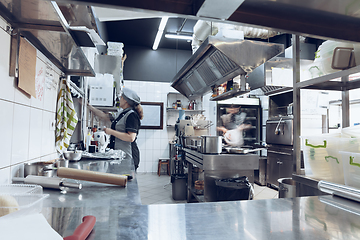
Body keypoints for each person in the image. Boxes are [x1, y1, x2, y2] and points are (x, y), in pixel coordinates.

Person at [87, 88, 143, 171]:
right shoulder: (122, 113)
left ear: (126, 101)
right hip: (120, 156)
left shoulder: (132, 115)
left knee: (127, 182)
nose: (119, 99)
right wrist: (89, 106)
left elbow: (131, 137)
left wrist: (111, 132)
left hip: (128, 156)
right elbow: (104, 116)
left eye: (121, 98)